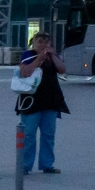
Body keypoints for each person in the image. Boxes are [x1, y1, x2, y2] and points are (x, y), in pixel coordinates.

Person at [16, 32, 69, 174]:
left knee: (48, 134)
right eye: (40, 42)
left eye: (46, 42)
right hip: (31, 100)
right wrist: (39, 58)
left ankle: (47, 164)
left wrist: (52, 56)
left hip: (51, 99)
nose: (43, 45)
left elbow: (62, 69)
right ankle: (25, 165)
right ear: (33, 43)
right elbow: (25, 72)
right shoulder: (28, 55)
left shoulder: (53, 56)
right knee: (29, 134)